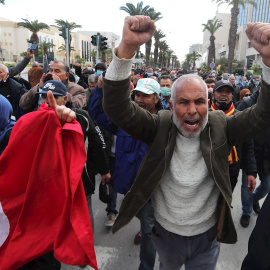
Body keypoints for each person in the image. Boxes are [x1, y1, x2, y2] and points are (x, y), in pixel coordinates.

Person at [102, 16, 270, 269]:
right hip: (166, 236)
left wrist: (268, 62)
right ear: (171, 105)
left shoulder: (221, 125)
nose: (192, 110)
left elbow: (263, 115)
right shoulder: (159, 125)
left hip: (207, 237)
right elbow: (117, 108)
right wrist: (125, 50)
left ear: (208, 102)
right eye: (183, 102)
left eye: (199, 102)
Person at [19, 60, 86, 111]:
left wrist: (60, 88)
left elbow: (77, 107)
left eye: (57, 71)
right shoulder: (45, 85)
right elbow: (23, 104)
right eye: (50, 70)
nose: (52, 73)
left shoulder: (77, 89)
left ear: (66, 75)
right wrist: (38, 87)